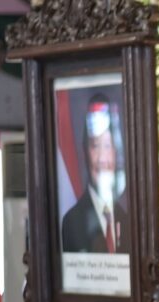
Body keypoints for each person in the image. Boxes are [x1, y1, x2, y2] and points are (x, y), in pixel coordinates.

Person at [60, 94, 129, 254]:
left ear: (116, 152)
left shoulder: (127, 220)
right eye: (95, 146)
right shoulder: (72, 221)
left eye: (107, 145)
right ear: (85, 151)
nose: (101, 158)